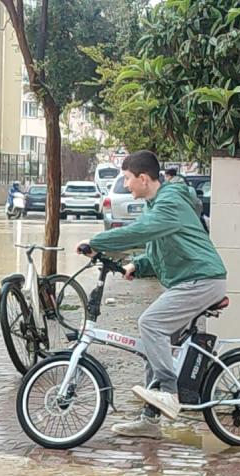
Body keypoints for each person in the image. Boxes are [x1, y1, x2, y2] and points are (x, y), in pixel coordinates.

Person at [79, 150, 227, 439]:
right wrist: (137, 265)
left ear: (143, 178)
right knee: (152, 347)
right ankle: (150, 421)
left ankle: (170, 393)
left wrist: (96, 241)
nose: (126, 185)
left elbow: (142, 232)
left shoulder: (169, 202)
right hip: (191, 280)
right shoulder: (156, 204)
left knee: (150, 324)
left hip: (202, 279)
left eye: (127, 179)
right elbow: (160, 248)